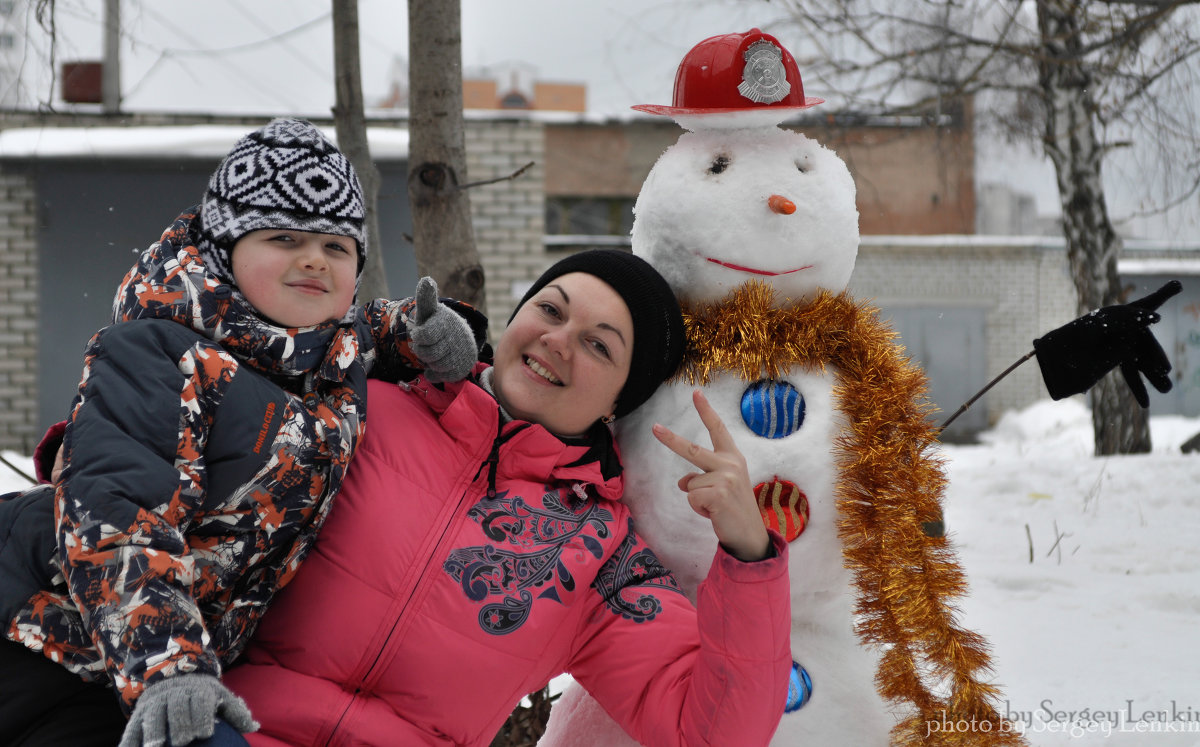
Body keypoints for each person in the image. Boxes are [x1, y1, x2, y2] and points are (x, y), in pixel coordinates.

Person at [0, 118, 482, 747]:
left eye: (336, 248)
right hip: (40, 635)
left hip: (132, 670)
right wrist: (169, 666)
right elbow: (118, 514)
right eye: (283, 238)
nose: (313, 259)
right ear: (225, 252)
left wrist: (415, 336)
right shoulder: (159, 352)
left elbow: (364, 330)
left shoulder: (320, 355)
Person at [220, 249, 793, 746]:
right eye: (550, 309)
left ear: (619, 402)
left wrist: (748, 554)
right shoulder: (362, 407)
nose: (558, 340)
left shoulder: (599, 554)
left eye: (598, 345)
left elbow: (713, 732)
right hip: (226, 731)